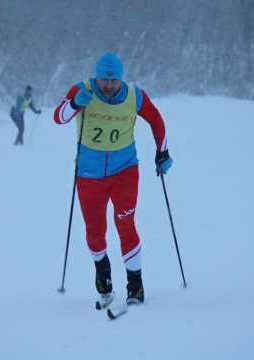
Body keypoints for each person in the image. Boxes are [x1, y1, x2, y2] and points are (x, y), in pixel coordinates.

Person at [53, 52, 173, 306]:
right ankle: (104, 282)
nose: (108, 86)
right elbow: (59, 117)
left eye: (114, 81)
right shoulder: (82, 89)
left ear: (121, 79)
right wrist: (75, 103)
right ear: (97, 76)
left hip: (124, 171)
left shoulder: (134, 95)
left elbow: (156, 119)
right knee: (95, 233)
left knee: (125, 224)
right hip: (88, 174)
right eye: (104, 80)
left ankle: (135, 287)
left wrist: (162, 152)